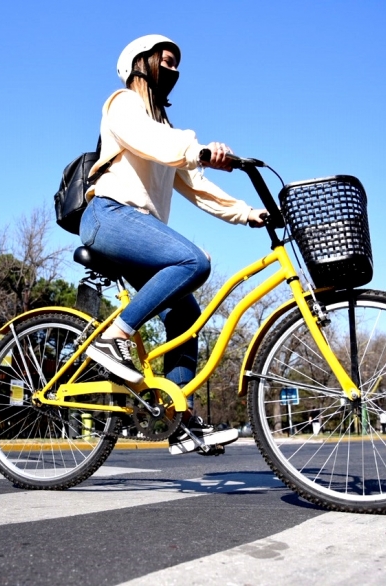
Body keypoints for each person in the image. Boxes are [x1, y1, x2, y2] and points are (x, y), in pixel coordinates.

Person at [80, 35, 267, 455]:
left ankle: (177, 419)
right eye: (167, 61)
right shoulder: (122, 104)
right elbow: (153, 141)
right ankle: (113, 338)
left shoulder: (165, 132)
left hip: (137, 230)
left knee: (185, 310)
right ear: (141, 64)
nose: (175, 71)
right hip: (109, 217)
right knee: (193, 261)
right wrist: (195, 149)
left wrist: (249, 212)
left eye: (178, 65)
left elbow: (198, 187)